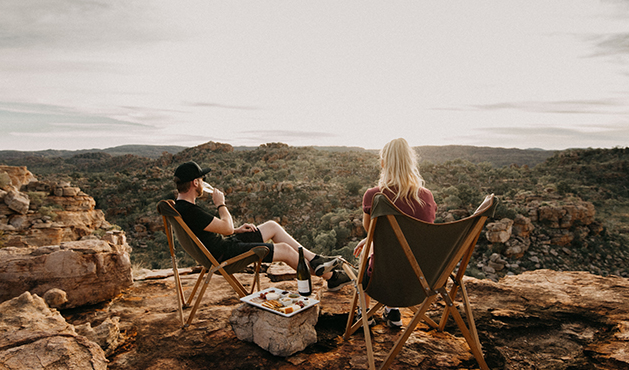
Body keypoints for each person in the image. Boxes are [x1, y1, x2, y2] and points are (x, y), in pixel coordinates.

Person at [172, 161, 352, 292]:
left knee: (272, 226)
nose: (203, 183)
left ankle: (315, 260)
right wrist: (221, 204)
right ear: (195, 183)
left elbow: (211, 230)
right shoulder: (190, 211)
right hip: (224, 256)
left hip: (221, 248)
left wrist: (236, 230)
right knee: (285, 250)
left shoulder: (180, 207)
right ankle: (332, 277)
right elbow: (226, 227)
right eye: (201, 179)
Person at [353, 138, 437, 328]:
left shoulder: (374, 195)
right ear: (411, 163)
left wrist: (369, 240)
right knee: (388, 248)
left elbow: (371, 231)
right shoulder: (427, 196)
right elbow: (422, 234)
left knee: (370, 248)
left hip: (382, 282)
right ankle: (392, 312)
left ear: (383, 164)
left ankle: (364, 313)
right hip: (419, 281)